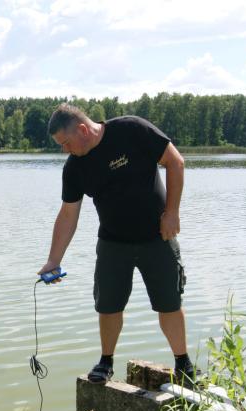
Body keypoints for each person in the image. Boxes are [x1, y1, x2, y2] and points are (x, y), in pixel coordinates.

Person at [38, 103, 194, 385]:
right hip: (112, 243)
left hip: (158, 237)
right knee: (108, 306)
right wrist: (53, 260)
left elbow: (175, 162)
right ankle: (106, 361)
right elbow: (68, 215)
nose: (64, 150)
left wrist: (172, 212)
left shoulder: (132, 130)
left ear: (83, 130)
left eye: (66, 142)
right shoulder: (75, 168)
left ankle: (184, 364)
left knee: (169, 303)